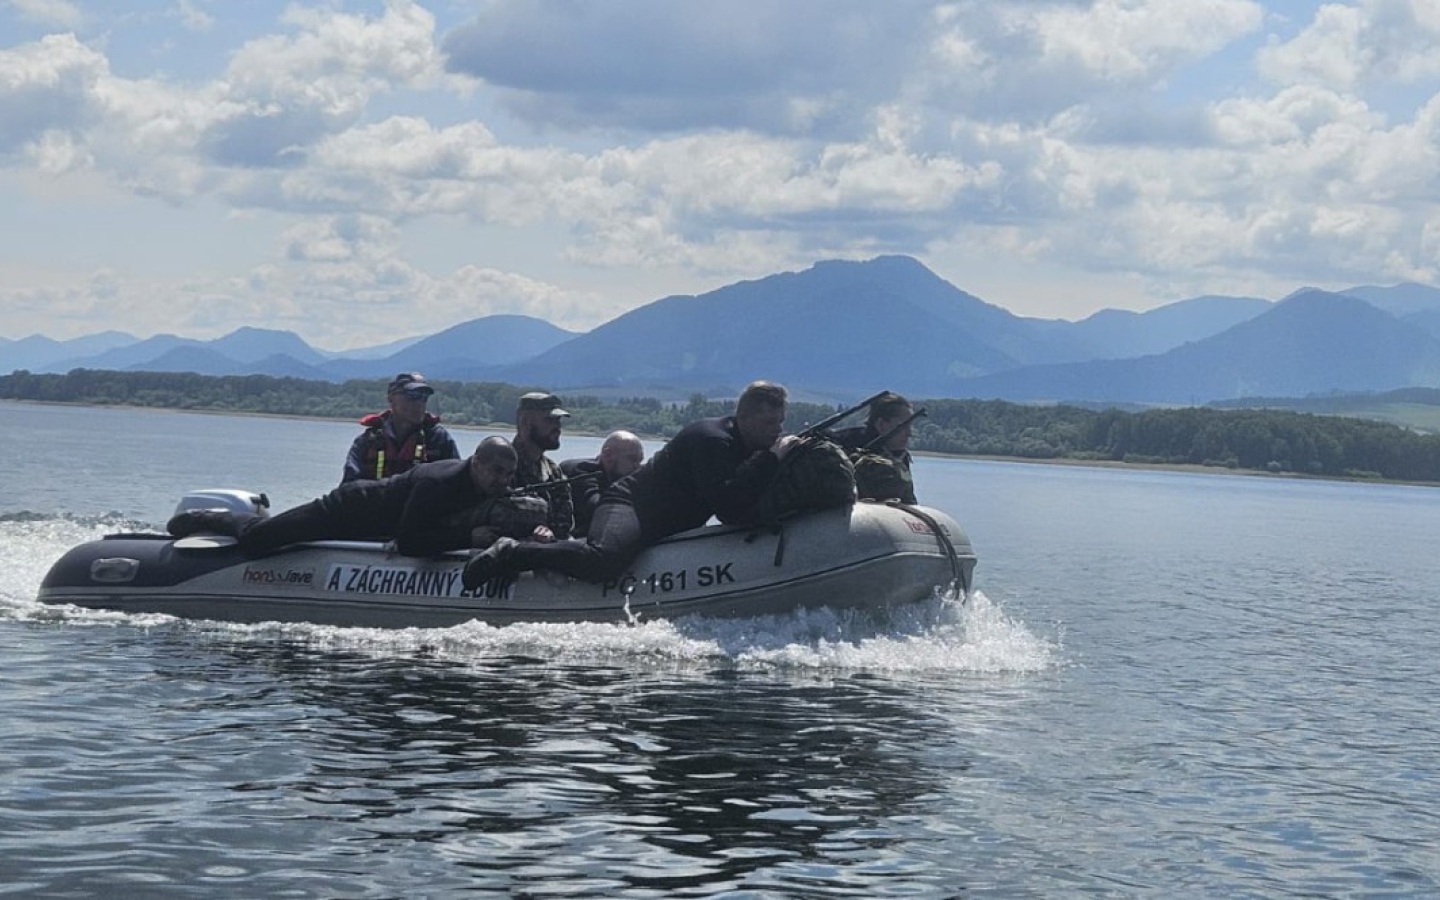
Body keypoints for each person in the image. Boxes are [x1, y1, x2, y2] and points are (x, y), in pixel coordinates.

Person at [463, 380, 798, 588]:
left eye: (780, 423)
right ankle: (513, 551)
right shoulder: (711, 439)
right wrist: (772, 458)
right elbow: (729, 508)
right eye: (770, 422)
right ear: (746, 417)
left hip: (662, 525)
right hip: (628, 505)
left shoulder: (749, 447)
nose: (776, 431)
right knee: (603, 560)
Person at [169, 437, 521, 557]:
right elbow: (411, 541)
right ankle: (204, 517)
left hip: (376, 527)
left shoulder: (485, 487)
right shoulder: (438, 482)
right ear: (476, 463)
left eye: (508, 475)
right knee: (260, 539)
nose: (502, 482)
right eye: (496, 472)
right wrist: (467, 538)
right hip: (351, 509)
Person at [342, 372, 460, 483]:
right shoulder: (367, 441)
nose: (419, 403)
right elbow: (348, 488)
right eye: (412, 395)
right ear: (391, 398)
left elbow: (457, 484)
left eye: (424, 397)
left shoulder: (438, 439)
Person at [828, 391, 919, 504]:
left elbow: (908, 500)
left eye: (910, 426)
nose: (909, 433)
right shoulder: (843, 443)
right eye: (903, 426)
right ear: (881, 424)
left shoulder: (899, 455)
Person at [511, 391, 575, 540]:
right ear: (525, 422)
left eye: (559, 421)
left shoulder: (553, 471)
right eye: (549, 420)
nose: (557, 427)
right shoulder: (500, 467)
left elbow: (565, 525)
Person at [560, 430, 646, 536]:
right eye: (632, 459)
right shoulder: (583, 469)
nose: (637, 467)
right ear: (608, 455)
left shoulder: (620, 476)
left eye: (640, 461)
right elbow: (596, 506)